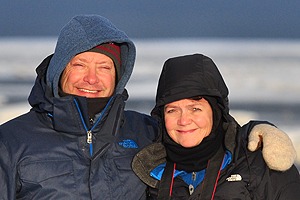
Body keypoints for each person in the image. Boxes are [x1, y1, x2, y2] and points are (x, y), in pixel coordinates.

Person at [0, 15, 296, 199]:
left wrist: (258, 131)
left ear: (118, 76)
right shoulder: (11, 143)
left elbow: (206, 138)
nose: (91, 78)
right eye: (79, 64)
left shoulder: (144, 132)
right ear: (59, 70)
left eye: (104, 66)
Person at [132, 53, 300, 199]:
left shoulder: (258, 164)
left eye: (195, 109)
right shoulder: (150, 170)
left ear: (216, 112)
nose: (183, 120)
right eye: (172, 111)